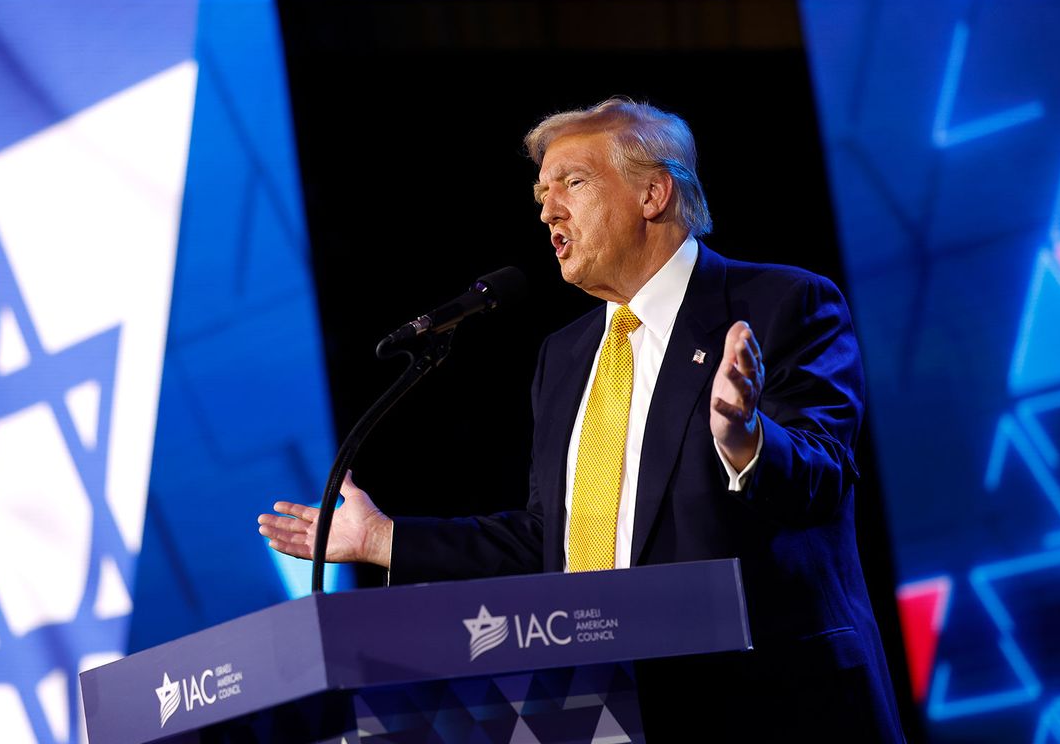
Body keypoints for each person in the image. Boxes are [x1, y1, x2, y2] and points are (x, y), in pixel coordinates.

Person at [258, 98, 903, 741]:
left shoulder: (783, 302)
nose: (546, 209)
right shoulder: (564, 356)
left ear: (653, 193)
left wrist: (748, 441)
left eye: (572, 182)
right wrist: (382, 541)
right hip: (608, 707)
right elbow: (551, 542)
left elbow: (825, 474)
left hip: (769, 704)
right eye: (541, 191)